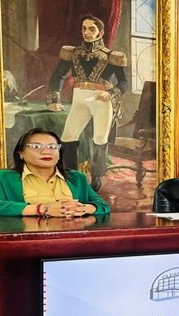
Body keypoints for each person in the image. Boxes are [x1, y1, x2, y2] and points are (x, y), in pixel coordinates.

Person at [47, 14, 128, 191]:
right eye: (84, 28)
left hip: (102, 101)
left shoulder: (112, 56)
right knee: (68, 136)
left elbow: (123, 83)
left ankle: (96, 177)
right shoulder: (72, 53)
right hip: (79, 99)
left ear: (101, 32)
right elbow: (58, 76)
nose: (87, 32)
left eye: (92, 29)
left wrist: (110, 94)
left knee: (100, 138)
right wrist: (54, 99)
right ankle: (72, 175)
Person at [0, 128, 111, 217]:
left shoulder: (77, 178)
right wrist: (42, 209)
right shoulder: (3, 178)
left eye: (52, 147)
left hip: (70, 240)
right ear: (21, 153)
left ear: (59, 154)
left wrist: (83, 208)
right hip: (27, 241)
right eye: (36, 147)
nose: (46, 152)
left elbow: (102, 206)